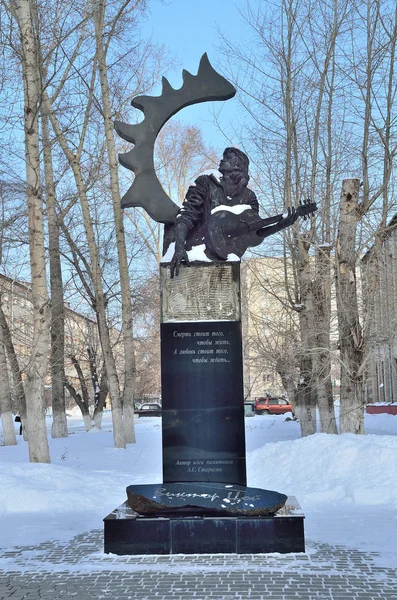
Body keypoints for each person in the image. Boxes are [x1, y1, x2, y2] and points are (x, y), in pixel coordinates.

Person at [170, 147, 298, 277]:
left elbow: (252, 234)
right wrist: (179, 247)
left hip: (227, 261)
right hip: (197, 254)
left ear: (238, 165)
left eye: (228, 158)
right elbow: (187, 214)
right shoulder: (206, 183)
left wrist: (280, 225)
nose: (222, 160)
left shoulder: (249, 197)